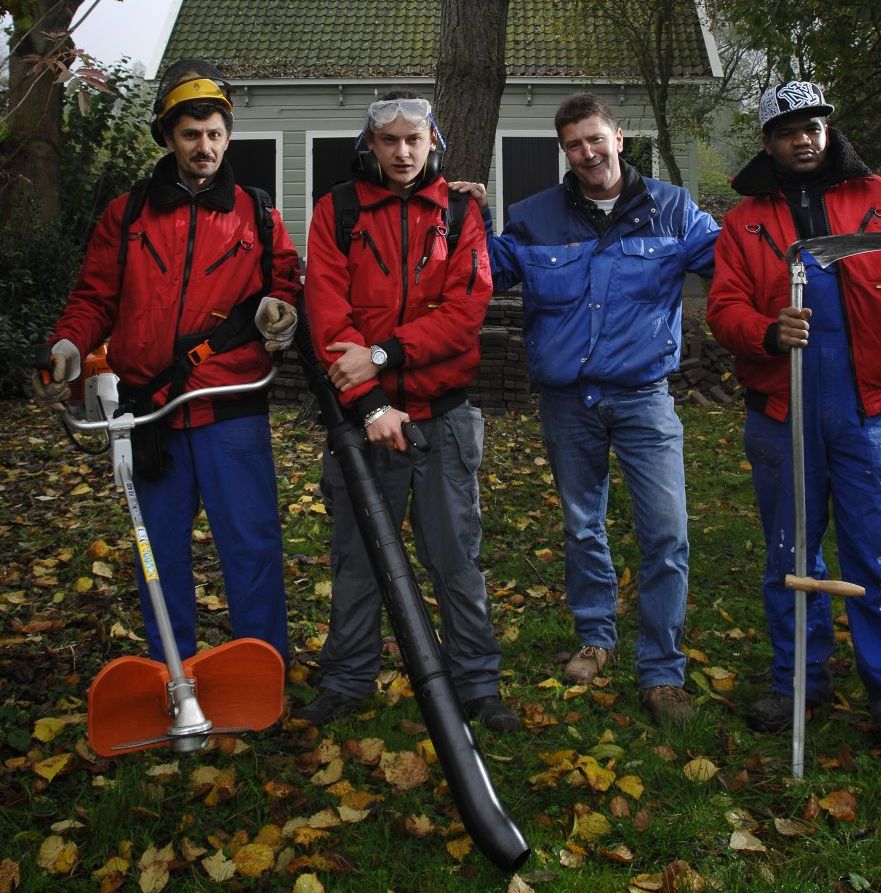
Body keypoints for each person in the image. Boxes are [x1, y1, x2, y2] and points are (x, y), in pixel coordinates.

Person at [706, 81, 881, 785]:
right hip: (782, 413)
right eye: (787, 129)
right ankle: (798, 684)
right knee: (789, 554)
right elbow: (724, 309)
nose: (803, 138)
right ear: (768, 142)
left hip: (866, 415)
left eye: (813, 125)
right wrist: (767, 331)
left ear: (829, 130)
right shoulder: (746, 222)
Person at [452, 93, 720, 725]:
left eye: (597, 139)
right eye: (574, 145)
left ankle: (661, 671)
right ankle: (596, 638)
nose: (588, 153)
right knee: (582, 525)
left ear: (620, 137)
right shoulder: (535, 217)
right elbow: (477, 276)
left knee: (667, 533)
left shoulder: (673, 210)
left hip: (644, 398)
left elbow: (737, 268)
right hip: (568, 402)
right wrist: (462, 220)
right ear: (564, 152)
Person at [33, 59, 300, 665]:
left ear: (228, 137)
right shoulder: (126, 215)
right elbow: (94, 297)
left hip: (230, 406)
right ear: (167, 137)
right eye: (190, 134)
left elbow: (284, 283)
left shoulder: (257, 215)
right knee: (156, 551)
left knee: (250, 546)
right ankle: (170, 671)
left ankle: (260, 666)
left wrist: (280, 315)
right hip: (149, 409)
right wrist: (69, 345)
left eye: (213, 134)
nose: (203, 147)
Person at [297, 92, 518, 733]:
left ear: (432, 144)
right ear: (370, 145)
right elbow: (327, 318)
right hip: (366, 421)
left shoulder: (460, 211)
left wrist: (385, 354)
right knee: (359, 556)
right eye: (388, 140)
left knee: (455, 557)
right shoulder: (336, 211)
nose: (401, 152)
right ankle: (346, 678)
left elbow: (464, 312)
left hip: (443, 416)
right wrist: (370, 403)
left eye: (413, 140)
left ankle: (476, 683)